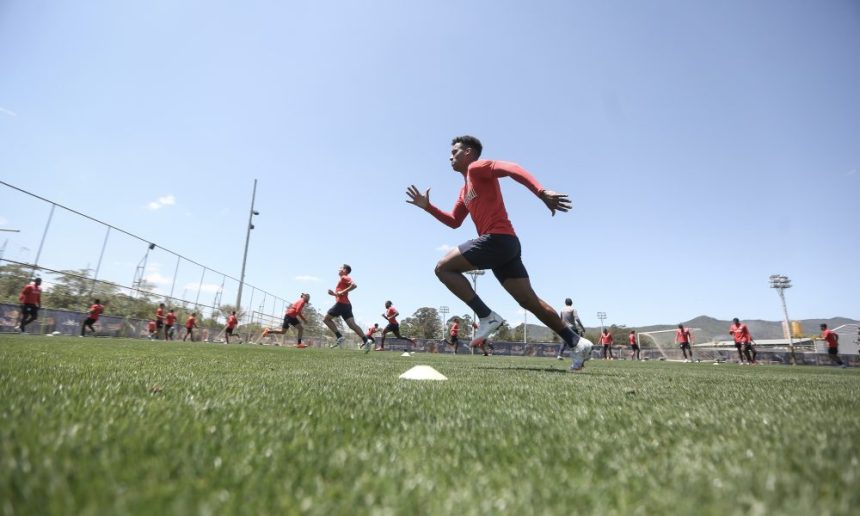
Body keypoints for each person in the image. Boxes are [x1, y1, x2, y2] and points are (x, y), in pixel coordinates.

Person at [406, 135, 593, 371]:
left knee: (443, 268)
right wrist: (428, 207)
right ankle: (576, 342)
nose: (450, 156)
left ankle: (487, 316)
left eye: (455, 151)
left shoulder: (476, 168)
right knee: (529, 300)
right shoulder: (464, 190)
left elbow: (512, 168)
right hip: (506, 246)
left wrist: (540, 191)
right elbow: (454, 221)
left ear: (469, 153)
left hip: (498, 239)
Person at [323, 264, 375, 350]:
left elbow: (354, 285)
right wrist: (334, 294)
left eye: (340, 268)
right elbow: (341, 294)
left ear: (345, 270)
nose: (338, 269)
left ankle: (339, 336)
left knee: (326, 319)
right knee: (352, 325)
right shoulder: (342, 279)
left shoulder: (344, 277)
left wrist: (342, 292)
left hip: (341, 304)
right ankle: (366, 340)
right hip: (346, 305)